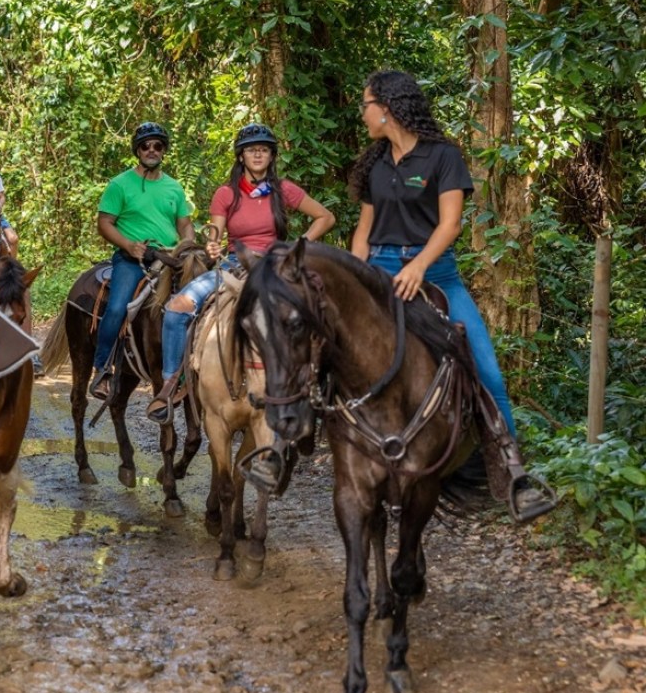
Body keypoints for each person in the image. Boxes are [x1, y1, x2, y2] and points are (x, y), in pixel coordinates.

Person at [349, 69, 553, 520]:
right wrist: (358, 276)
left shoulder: (443, 157)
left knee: (488, 373)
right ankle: (294, 442)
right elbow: (362, 232)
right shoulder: (374, 164)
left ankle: (514, 475)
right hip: (380, 268)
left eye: (365, 104)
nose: (362, 113)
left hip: (437, 274)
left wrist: (419, 266)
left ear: (386, 108)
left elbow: (451, 224)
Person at [147, 124, 335, 422]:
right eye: (251, 149)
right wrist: (211, 245)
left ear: (272, 156)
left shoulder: (284, 190)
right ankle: (171, 384)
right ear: (241, 156)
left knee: (320, 312)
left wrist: (298, 247)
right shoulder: (226, 194)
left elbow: (326, 217)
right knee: (176, 308)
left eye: (263, 149)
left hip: (276, 267)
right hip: (234, 264)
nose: (258, 154)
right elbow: (216, 233)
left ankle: (317, 388)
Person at [89, 122, 195, 401]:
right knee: (117, 307)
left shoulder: (174, 187)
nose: (152, 150)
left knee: (203, 302)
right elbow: (104, 223)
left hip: (170, 258)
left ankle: (196, 367)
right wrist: (128, 245)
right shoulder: (120, 184)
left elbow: (185, 224)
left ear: (163, 151)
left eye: (157, 146)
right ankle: (102, 369)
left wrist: (188, 245)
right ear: (138, 150)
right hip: (132, 260)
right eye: (146, 145)